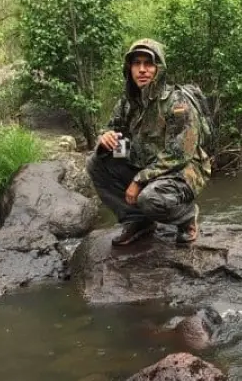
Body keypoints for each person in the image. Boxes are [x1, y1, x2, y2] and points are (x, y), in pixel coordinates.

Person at [86, 39, 211, 246]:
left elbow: (180, 153)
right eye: (137, 63)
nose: (142, 70)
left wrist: (138, 180)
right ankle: (138, 221)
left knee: (149, 198)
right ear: (130, 68)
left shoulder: (177, 103)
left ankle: (186, 217)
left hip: (184, 170)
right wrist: (106, 140)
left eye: (149, 63)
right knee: (96, 163)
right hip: (146, 165)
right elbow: (119, 137)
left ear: (158, 68)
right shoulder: (127, 103)